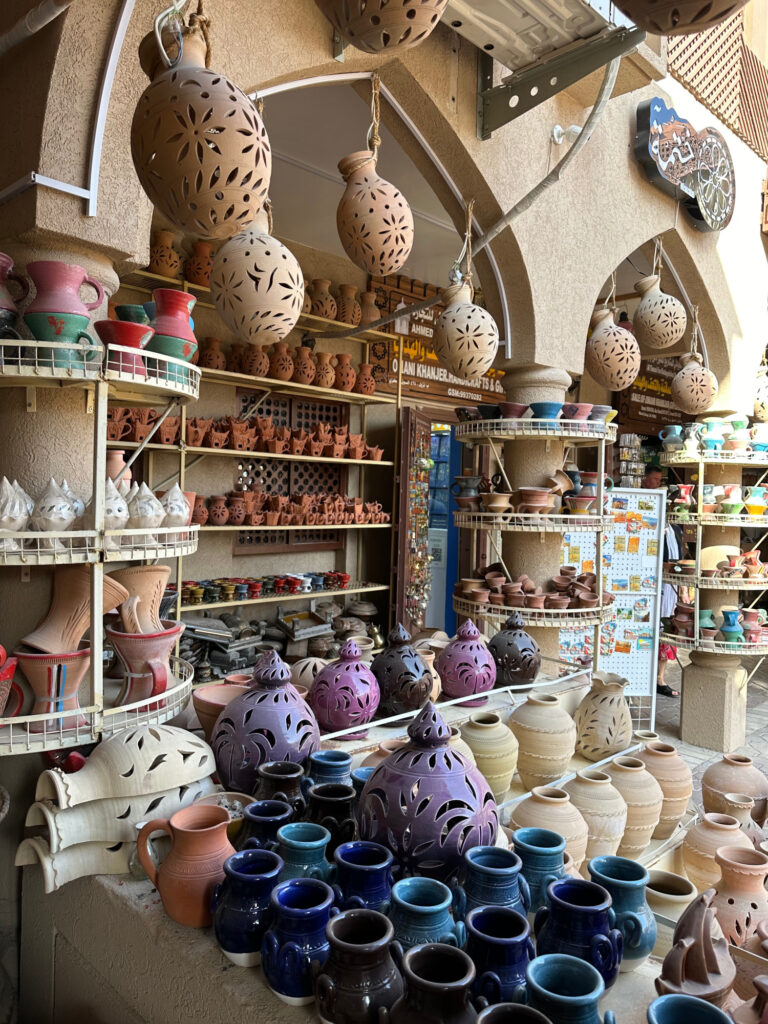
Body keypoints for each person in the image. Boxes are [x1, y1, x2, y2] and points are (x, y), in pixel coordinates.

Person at [642, 463, 681, 698]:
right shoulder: (644, 515)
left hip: (669, 586)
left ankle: (659, 678)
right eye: (655, 480)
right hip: (650, 583)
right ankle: (649, 676)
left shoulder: (673, 528)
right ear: (646, 480)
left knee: (666, 631)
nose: (659, 484)